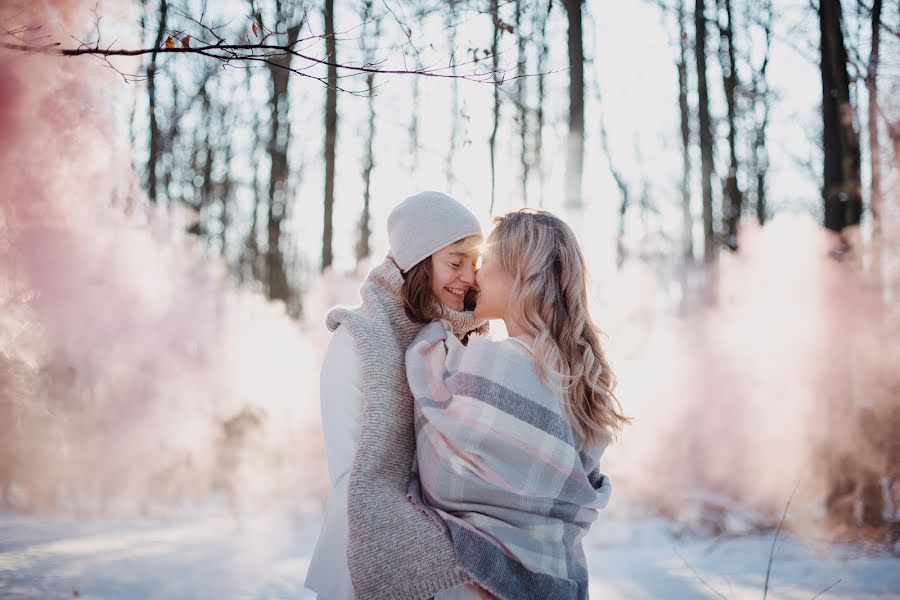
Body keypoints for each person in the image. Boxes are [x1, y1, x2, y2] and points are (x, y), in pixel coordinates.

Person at [405, 209, 630, 600]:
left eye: (486, 264)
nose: (474, 277)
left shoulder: (500, 363)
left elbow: (447, 478)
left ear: (520, 277)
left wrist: (429, 341)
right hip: (557, 580)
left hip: (478, 584)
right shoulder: (578, 376)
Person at [305, 191, 488, 600]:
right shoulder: (357, 340)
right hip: (370, 560)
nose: (470, 278)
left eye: (474, 264)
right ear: (418, 263)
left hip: (461, 572)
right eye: (455, 263)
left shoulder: (471, 343)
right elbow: (351, 477)